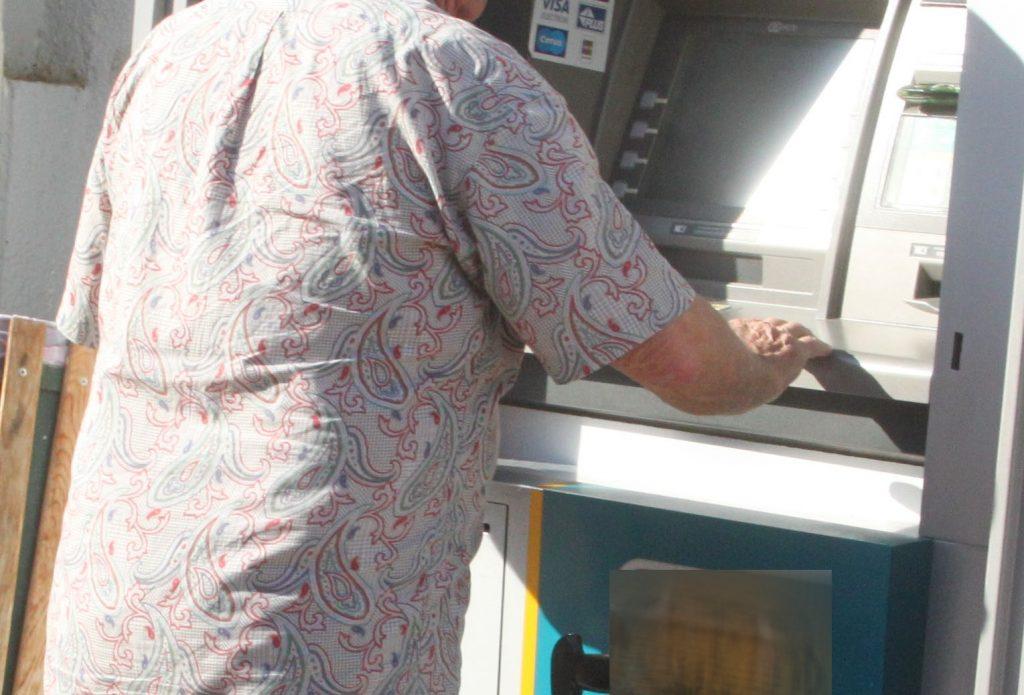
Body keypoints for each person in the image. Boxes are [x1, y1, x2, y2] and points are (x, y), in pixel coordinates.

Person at [46, 0, 830, 691]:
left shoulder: (173, 51)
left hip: (113, 617)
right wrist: (769, 359)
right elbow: (688, 365)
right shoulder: (455, 73)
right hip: (302, 642)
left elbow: (99, 322)